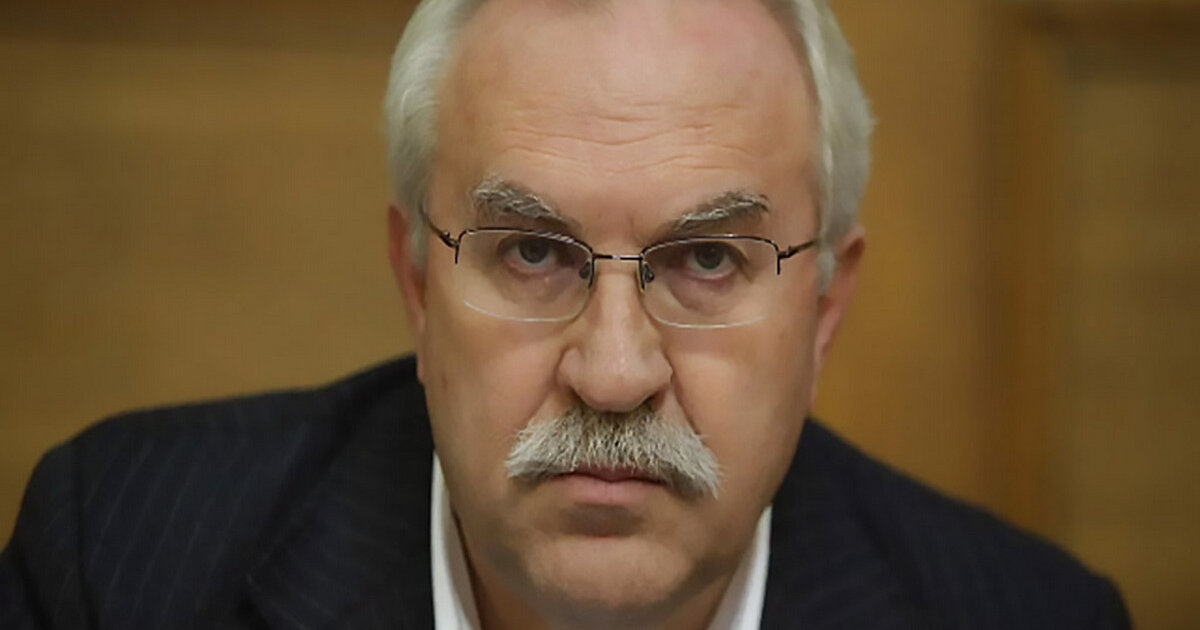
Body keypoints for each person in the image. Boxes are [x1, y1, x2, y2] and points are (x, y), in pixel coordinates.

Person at [1, 0, 1131, 628]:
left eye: (706, 259)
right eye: (534, 252)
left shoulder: (1033, 617)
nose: (614, 372)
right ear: (418, 284)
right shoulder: (120, 565)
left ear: (825, 304)